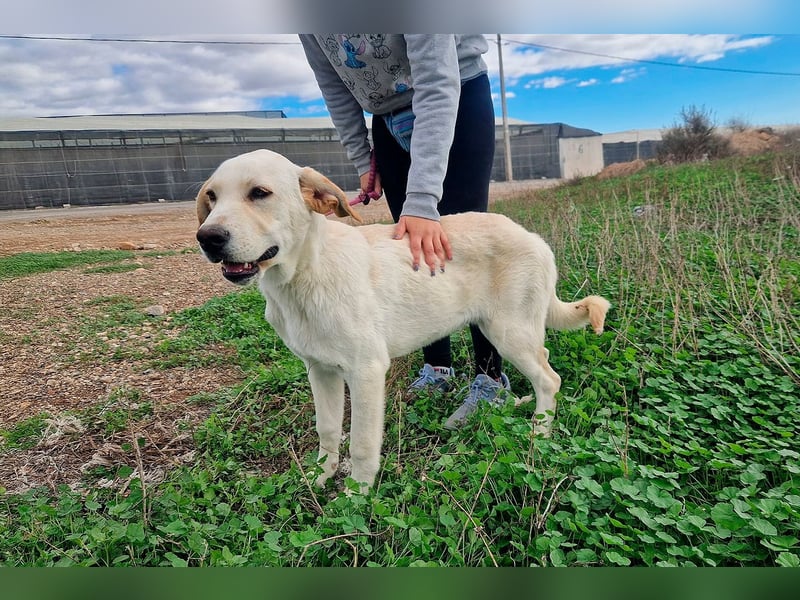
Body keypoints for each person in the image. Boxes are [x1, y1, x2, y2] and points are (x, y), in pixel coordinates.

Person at [299, 34, 510, 429]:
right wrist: (364, 159)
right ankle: (438, 369)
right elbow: (333, 85)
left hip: (455, 92)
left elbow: (436, 79)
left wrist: (422, 199)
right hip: (385, 115)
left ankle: (491, 377)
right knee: (413, 248)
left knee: (464, 246)